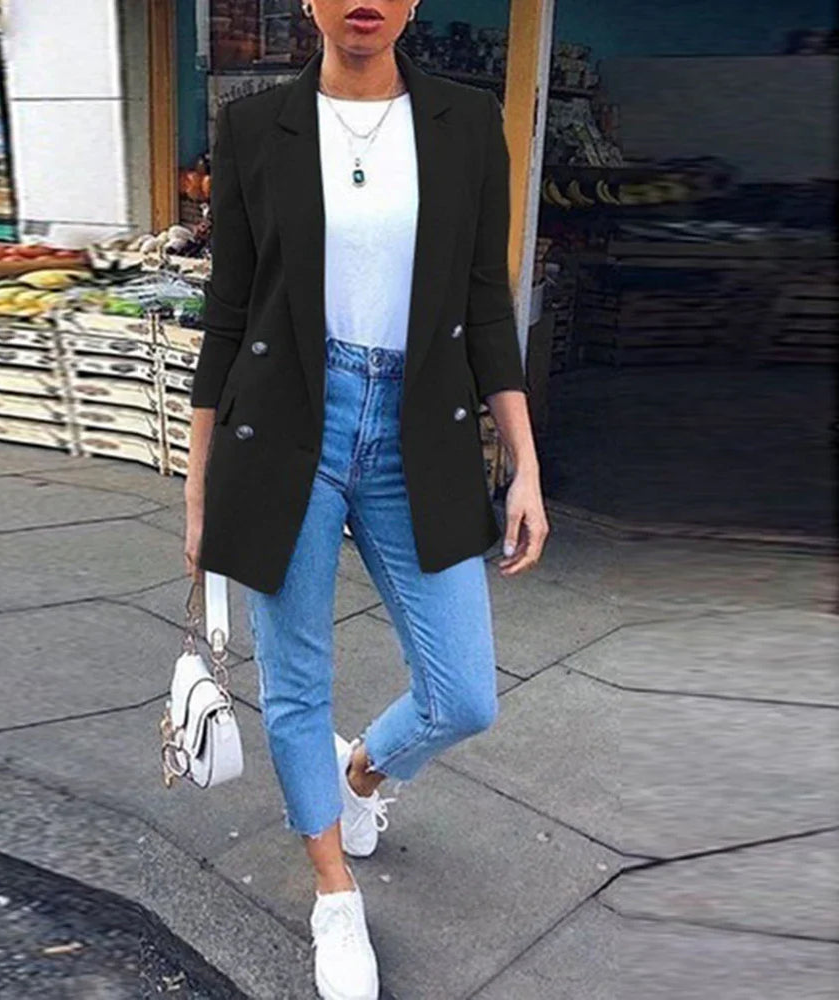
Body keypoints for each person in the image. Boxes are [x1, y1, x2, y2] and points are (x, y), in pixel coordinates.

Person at [184, 3, 548, 998]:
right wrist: (199, 487)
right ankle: (333, 896)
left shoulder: (465, 122)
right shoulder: (255, 126)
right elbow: (228, 312)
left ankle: (360, 775)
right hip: (283, 424)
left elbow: (485, 302)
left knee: (463, 694)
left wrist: (524, 463)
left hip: (417, 425)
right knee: (296, 682)